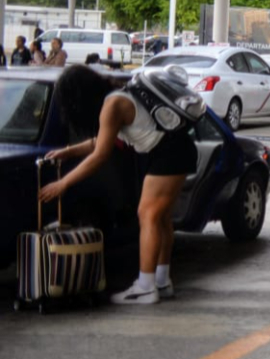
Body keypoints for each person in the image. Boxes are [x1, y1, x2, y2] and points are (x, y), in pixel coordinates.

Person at [39, 65, 199, 305]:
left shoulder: (111, 105)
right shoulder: (115, 98)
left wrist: (63, 183)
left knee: (148, 216)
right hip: (172, 150)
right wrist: (69, 151)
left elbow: (100, 154)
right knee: (160, 218)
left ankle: (145, 287)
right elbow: (103, 141)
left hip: (168, 154)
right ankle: (162, 281)